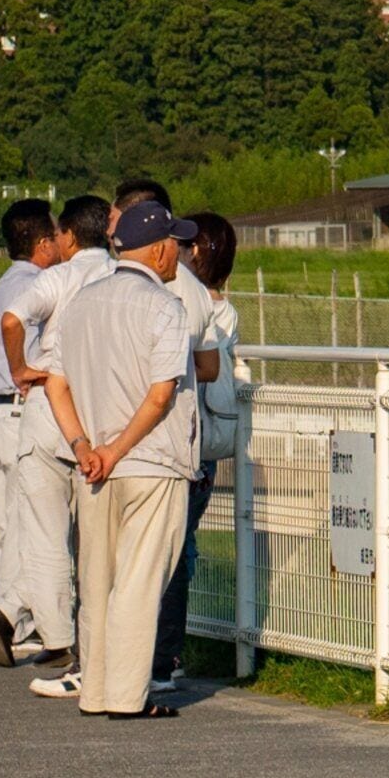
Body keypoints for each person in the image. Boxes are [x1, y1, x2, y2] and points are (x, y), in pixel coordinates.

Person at [40, 200, 200, 718]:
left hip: (95, 468)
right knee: (139, 580)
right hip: (151, 463)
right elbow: (160, 395)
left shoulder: (82, 302)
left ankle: (97, 691)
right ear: (157, 251)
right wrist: (117, 448)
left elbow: (55, 383)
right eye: (175, 242)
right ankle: (130, 697)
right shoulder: (165, 307)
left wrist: (84, 446)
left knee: (98, 580)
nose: (180, 250)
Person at [0, 194, 111, 671]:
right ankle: (90, 633)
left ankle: (57, 637)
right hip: (99, 415)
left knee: (44, 530)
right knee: (93, 535)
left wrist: (20, 367)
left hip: (46, 412)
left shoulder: (58, 276)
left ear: (70, 237)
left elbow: (12, 319)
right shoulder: (117, 276)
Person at [148, 210, 243, 691]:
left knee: (171, 549)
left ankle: (165, 653)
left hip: (189, 440)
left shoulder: (200, 304)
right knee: (177, 547)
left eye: (186, 244)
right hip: (195, 443)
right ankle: (167, 650)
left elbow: (201, 368)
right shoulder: (215, 305)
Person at [0, 198, 67, 667]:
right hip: (19, 410)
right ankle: (9, 616)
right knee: (29, 526)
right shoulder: (40, 287)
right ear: (43, 242)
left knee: (10, 527)